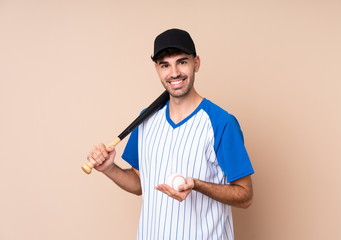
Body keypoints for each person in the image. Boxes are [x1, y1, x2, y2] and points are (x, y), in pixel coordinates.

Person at [87, 28, 254, 239]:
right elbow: (140, 184)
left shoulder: (221, 122)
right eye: (165, 65)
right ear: (157, 69)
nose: (174, 72)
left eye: (182, 62)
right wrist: (109, 169)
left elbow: (245, 196)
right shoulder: (145, 120)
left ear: (197, 63)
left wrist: (197, 185)